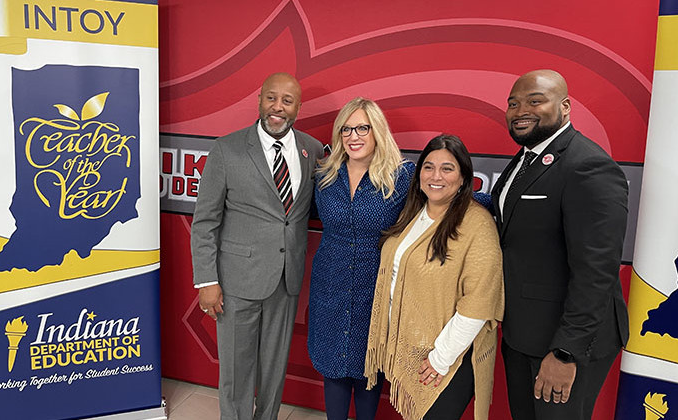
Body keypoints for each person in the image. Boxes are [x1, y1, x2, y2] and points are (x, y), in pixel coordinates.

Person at [491, 69, 629, 420]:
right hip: (523, 332)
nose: (521, 109)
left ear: (565, 107)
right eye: (513, 103)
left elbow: (596, 270)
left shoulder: (588, 165)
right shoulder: (526, 159)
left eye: (535, 101)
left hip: (565, 342)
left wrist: (566, 352)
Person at [190, 72, 324, 420]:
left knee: (273, 368)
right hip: (236, 282)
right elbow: (205, 222)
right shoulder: (227, 149)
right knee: (236, 371)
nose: (278, 107)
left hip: (286, 280)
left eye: (287, 101)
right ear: (260, 100)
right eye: (271, 98)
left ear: (298, 107)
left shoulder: (311, 149)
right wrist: (207, 281)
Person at [364, 135, 504, 420]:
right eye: (428, 167)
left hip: (447, 359)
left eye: (447, 168)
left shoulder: (477, 224)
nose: (435, 176)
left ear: (465, 178)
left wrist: (440, 359)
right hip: (411, 349)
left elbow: (478, 303)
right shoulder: (413, 213)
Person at [308, 97, 414, 420]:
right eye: (346, 130)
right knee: (333, 367)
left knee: (369, 369)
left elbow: (443, 196)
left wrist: (492, 203)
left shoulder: (402, 176)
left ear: (377, 130)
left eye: (362, 128)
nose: (353, 136)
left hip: (376, 288)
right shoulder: (325, 175)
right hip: (330, 285)